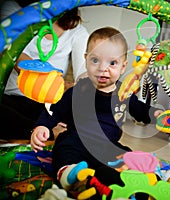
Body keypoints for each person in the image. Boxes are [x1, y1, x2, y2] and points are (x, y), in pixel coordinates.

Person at [30, 27, 162, 199]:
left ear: (123, 67)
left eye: (112, 63)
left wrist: (158, 114)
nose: (102, 69)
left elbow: (142, 111)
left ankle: (127, 178)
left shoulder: (124, 93)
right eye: (95, 60)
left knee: (127, 155)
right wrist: (42, 126)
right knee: (64, 148)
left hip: (108, 145)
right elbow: (54, 109)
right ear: (86, 60)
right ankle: (71, 175)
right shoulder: (79, 90)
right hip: (77, 140)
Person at [0, 3, 89, 139]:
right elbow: (14, 55)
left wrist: (79, 88)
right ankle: (48, 132)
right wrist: (50, 78)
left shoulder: (77, 31)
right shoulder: (12, 10)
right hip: (10, 98)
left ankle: (43, 130)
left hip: (46, 103)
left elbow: (84, 73)